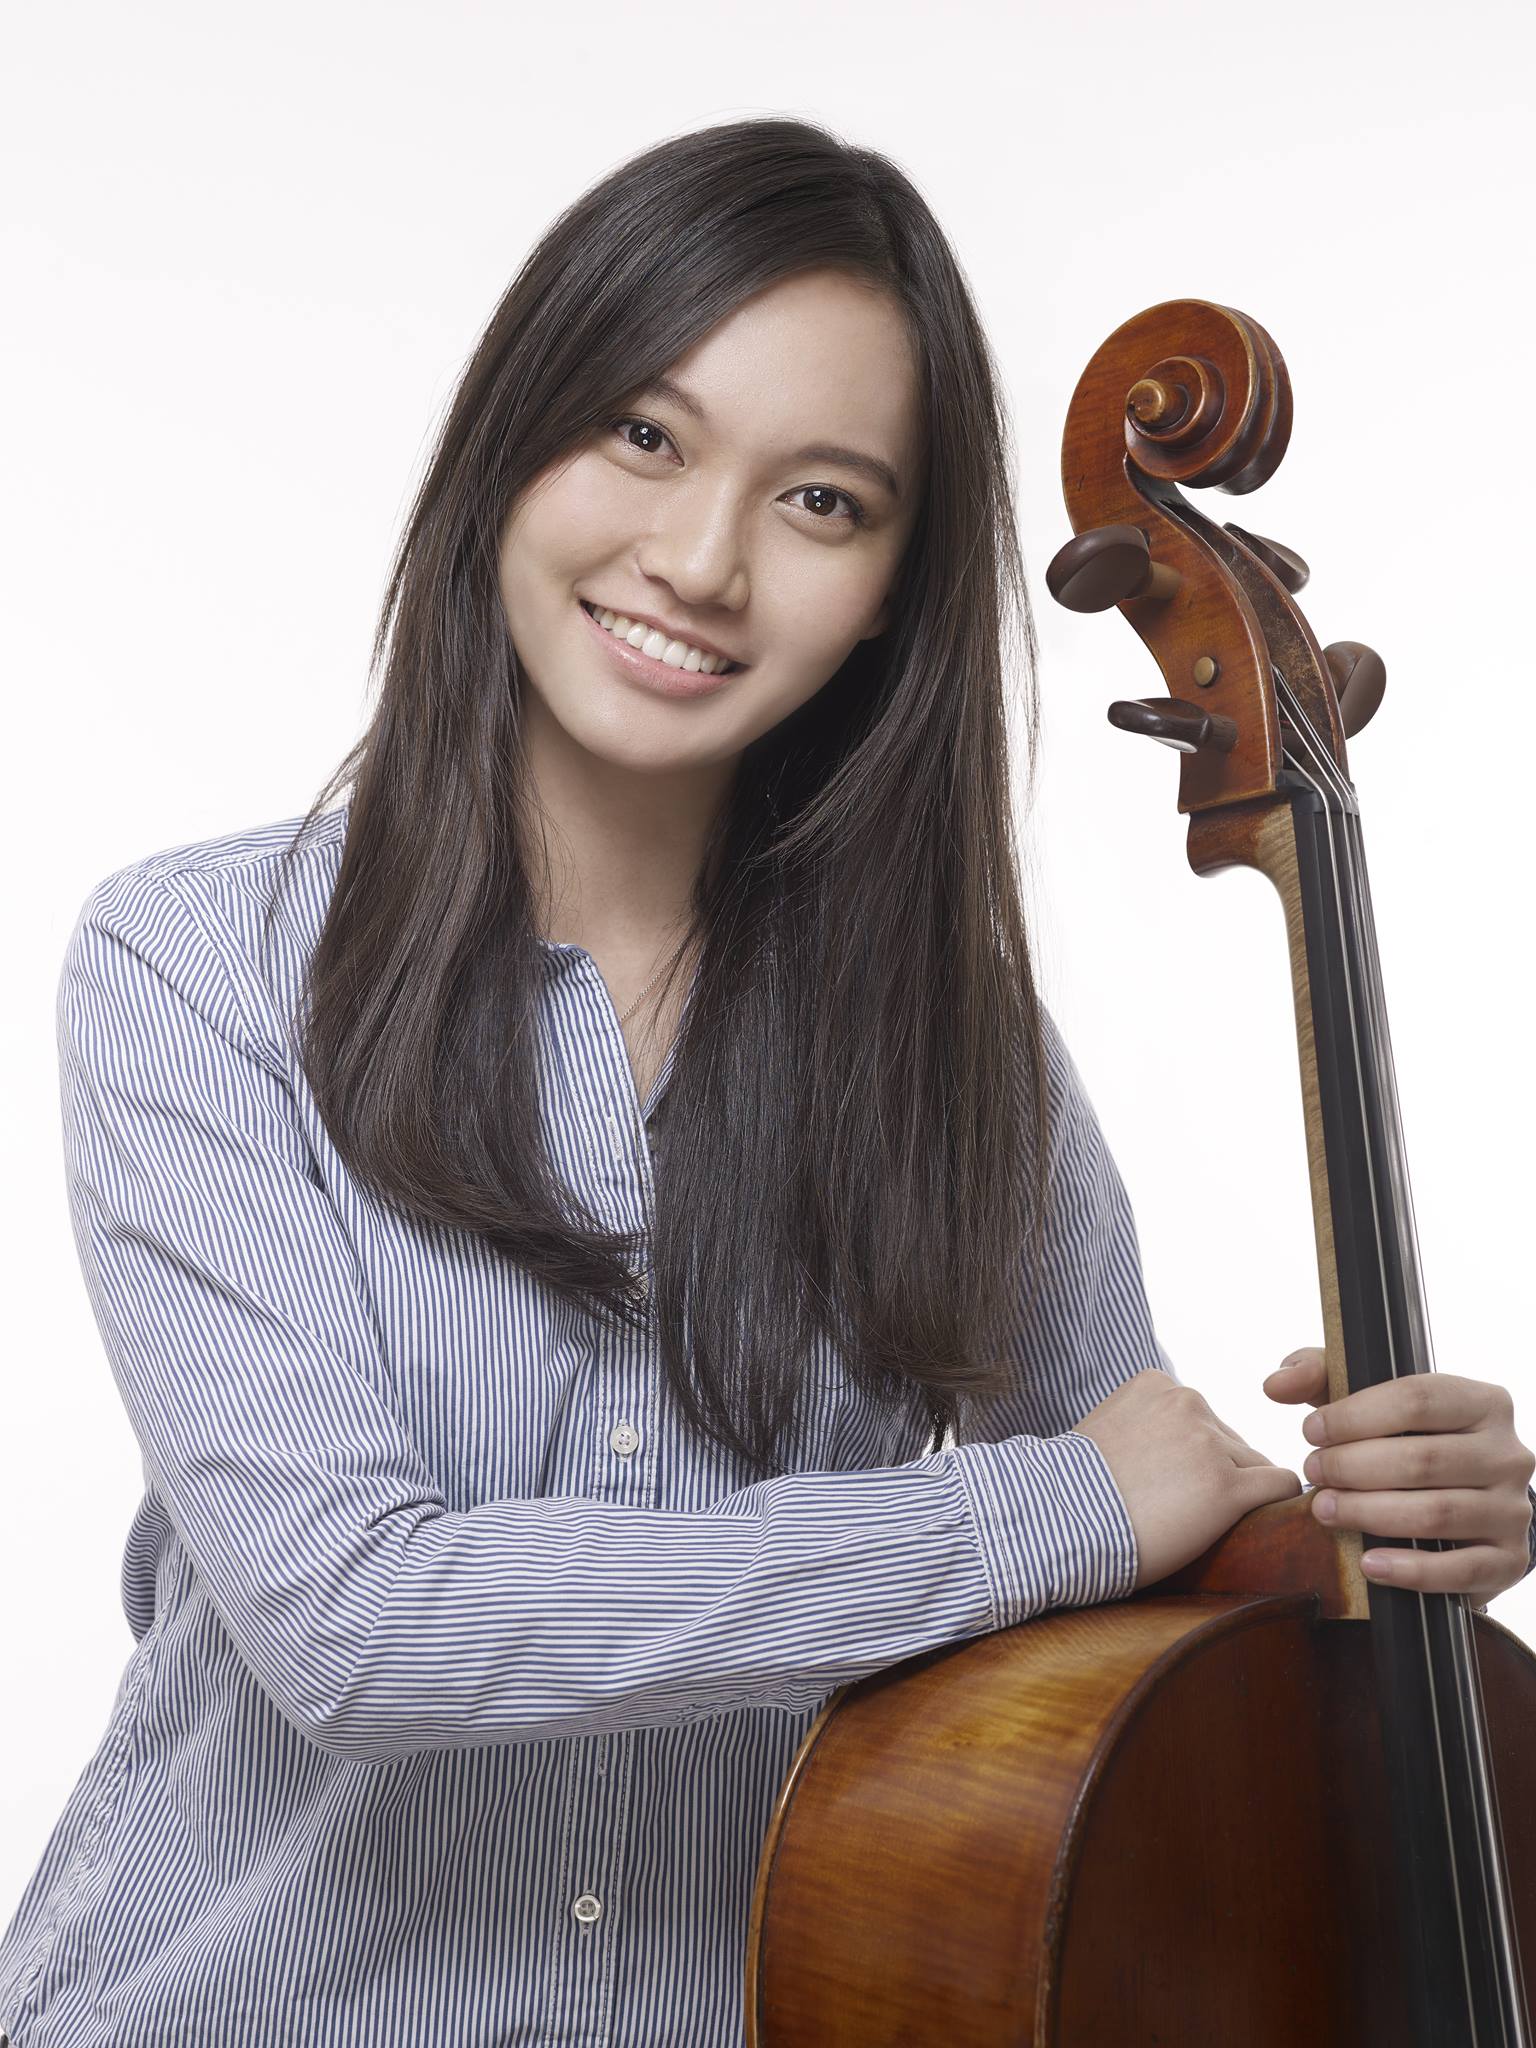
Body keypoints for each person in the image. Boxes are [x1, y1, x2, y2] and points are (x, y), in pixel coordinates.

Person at [1, 115, 1531, 2048]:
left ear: (892, 585)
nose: (701, 562)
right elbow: (355, 1626)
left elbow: (1135, 1571)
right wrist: (1036, 1514)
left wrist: (1370, 1538)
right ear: (510, 441)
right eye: (644, 436)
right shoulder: (199, 968)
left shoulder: (954, 1042)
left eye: (821, 500)